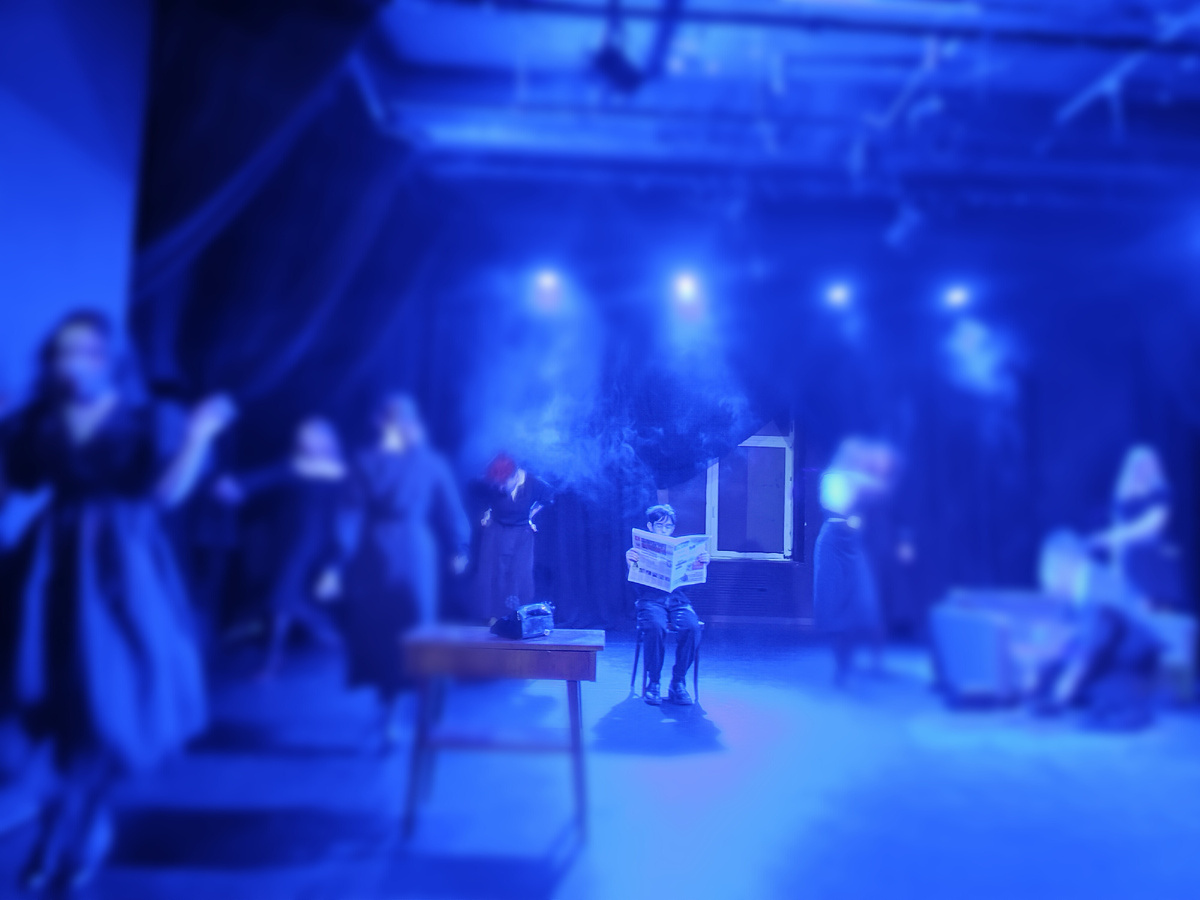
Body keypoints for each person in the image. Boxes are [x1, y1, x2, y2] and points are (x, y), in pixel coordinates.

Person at [0, 310, 234, 891]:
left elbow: (165, 495)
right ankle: (57, 825)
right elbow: (16, 486)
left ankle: (87, 824)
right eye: (62, 351)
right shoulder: (36, 421)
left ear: (111, 360)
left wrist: (198, 438)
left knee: (111, 700)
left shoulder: (148, 419)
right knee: (52, 696)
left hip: (123, 564)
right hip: (53, 564)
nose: (72, 362)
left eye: (86, 351)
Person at [335, 394, 470, 746]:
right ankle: (389, 715)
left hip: (415, 553)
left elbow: (452, 510)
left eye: (404, 418)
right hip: (373, 554)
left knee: (417, 629)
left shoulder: (430, 462)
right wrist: (341, 551)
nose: (398, 424)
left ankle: (428, 708)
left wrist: (459, 548)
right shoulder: (364, 461)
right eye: (391, 417)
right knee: (382, 635)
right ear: (379, 422)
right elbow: (349, 510)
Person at [214, 417, 346, 678]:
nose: (306, 440)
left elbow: (339, 516)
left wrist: (335, 560)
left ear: (327, 440)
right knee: (284, 599)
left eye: (312, 435)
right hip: (287, 539)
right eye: (303, 435)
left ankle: (322, 629)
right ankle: (277, 655)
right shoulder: (295, 465)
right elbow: (265, 477)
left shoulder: (338, 472)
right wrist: (237, 485)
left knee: (280, 597)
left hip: (314, 542)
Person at [1033, 529, 1163, 730]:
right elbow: (1069, 640)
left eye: (1047, 566)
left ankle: (1129, 707)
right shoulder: (1075, 592)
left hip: (1131, 659)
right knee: (1051, 676)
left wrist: (1068, 682)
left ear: (1064, 563)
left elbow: (1094, 642)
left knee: (1106, 702)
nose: (1045, 576)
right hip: (1107, 654)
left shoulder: (1095, 583)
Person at [812, 437, 895, 686]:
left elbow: (882, 489)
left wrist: (878, 470)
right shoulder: (833, 477)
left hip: (853, 544)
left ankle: (872, 662)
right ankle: (842, 666)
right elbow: (838, 505)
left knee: (864, 603)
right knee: (834, 605)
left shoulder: (858, 478)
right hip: (833, 543)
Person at [625, 504, 708, 706]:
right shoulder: (638, 550)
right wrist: (630, 563)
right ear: (650, 526)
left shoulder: (680, 550)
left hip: (678, 600)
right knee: (655, 627)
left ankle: (678, 682)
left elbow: (690, 585)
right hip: (651, 600)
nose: (664, 530)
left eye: (668, 526)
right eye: (660, 526)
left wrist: (700, 564)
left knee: (692, 628)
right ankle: (653, 682)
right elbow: (634, 583)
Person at [1091, 445, 1184, 610]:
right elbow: (1118, 534)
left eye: (1150, 464)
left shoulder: (1161, 491)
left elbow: (1153, 524)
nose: (1146, 469)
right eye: (1141, 465)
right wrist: (1115, 569)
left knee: (1159, 613)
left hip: (1155, 558)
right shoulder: (1121, 496)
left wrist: (1112, 536)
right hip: (1130, 560)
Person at [475, 453, 554, 621]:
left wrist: (530, 516)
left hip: (521, 533)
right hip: (497, 531)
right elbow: (485, 497)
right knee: (495, 573)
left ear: (515, 476)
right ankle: (494, 616)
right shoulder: (494, 483)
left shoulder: (534, 484)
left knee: (519, 575)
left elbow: (547, 498)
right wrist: (487, 513)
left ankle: (518, 616)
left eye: (504, 483)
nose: (500, 488)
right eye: (497, 484)